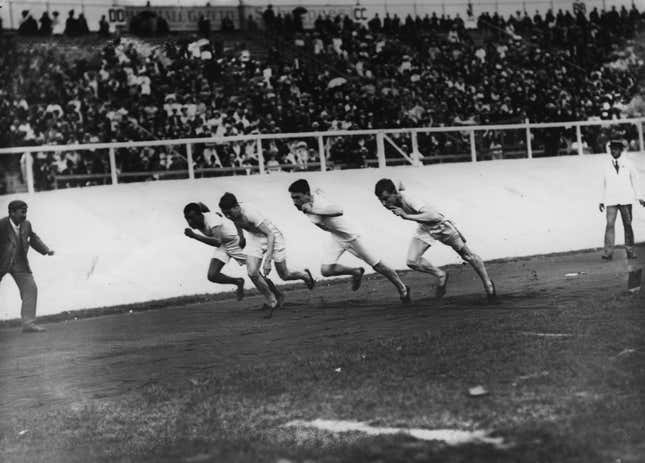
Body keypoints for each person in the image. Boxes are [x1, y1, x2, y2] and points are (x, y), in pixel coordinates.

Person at [288, 179, 411, 303]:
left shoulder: (320, 205)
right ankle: (356, 272)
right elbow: (317, 192)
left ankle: (403, 288)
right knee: (326, 270)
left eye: (297, 197)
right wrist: (312, 200)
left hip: (352, 236)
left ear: (306, 194)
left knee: (378, 266)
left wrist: (312, 210)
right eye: (293, 198)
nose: (294, 201)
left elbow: (339, 210)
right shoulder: (308, 201)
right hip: (337, 236)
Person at [374, 178, 496, 301]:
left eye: (386, 198)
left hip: (442, 226)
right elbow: (399, 182)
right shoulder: (393, 201)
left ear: (394, 193)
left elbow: (433, 216)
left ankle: (488, 283)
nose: (384, 203)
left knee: (467, 256)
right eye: (380, 200)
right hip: (425, 228)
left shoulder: (411, 199)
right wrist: (399, 187)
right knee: (412, 261)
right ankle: (441, 274)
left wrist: (407, 216)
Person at [218, 192, 315, 316]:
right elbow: (237, 222)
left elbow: (270, 234)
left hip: (272, 236)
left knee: (284, 275)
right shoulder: (233, 214)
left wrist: (267, 260)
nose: (228, 216)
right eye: (225, 214)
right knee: (252, 272)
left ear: (236, 206)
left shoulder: (250, 213)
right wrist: (241, 237)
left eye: (229, 213)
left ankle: (305, 275)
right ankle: (272, 300)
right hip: (255, 238)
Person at [0, 200, 55, 332]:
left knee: (30, 288)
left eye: (26, 212)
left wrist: (46, 250)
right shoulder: (1, 225)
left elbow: (33, 238)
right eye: (22, 212)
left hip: (20, 263)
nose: (25, 215)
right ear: (12, 212)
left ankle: (28, 324)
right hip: (2, 262)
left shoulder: (26, 225)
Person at [183, 202, 246, 300]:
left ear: (200, 215)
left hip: (234, 241)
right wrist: (210, 211)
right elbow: (201, 205)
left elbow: (217, 242)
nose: (190, 222)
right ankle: (238, 281)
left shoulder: (212, 220)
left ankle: (277, 297)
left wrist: (194, 236)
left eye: (192, 217)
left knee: (254, 272)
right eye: (187, 219)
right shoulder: (201, 218)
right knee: (212, 275)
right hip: (223, 244)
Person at [599, 139, 645, 260]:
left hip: (626, 199)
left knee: (628, 225)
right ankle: (608, 252)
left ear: (620, 150)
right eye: (612, 149)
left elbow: (635, 179)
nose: (613, 151)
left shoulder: (628, 163)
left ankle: (630, 251)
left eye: (616, 149)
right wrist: (602, 200)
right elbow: (603, 183)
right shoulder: (606, 165)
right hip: (611, 200)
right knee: (609, 225)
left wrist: (639, 197)